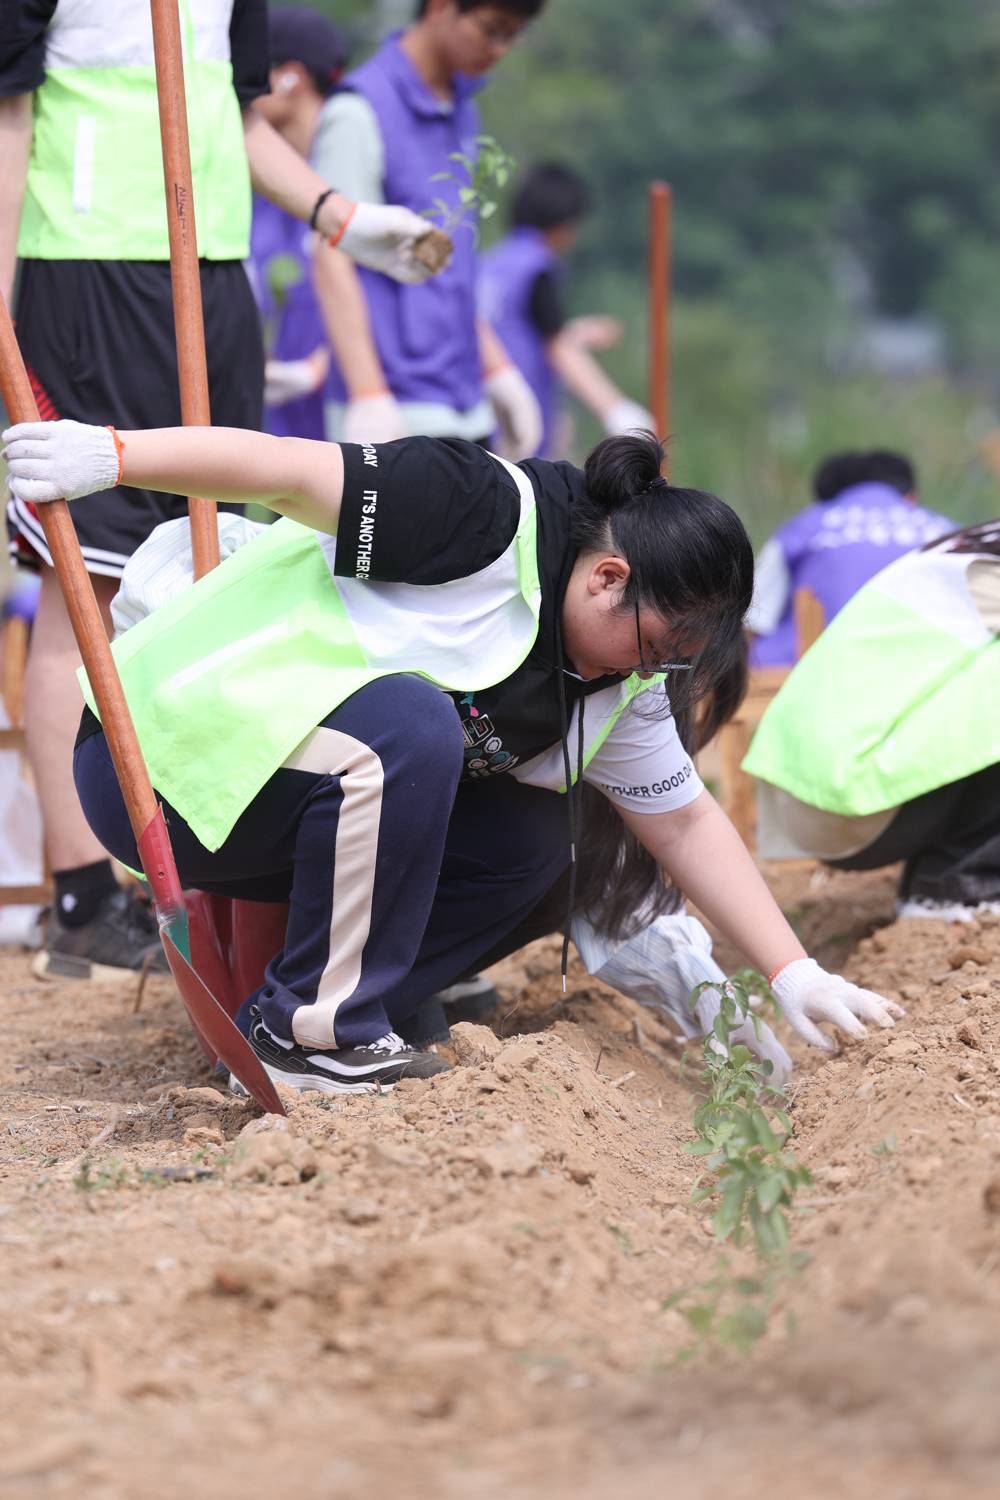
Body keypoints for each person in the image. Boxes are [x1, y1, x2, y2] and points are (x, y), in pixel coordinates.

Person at [4, 417, 904, 1088]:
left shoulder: (617, 680)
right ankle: (312, 1035)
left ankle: (349, 1006)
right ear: (607, 578)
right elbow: (281, 469)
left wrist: (795, 972)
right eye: (656, 647)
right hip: (165, 762)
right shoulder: (475, 512)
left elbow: (682, 823)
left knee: (540, 842)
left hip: (297, 793)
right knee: (413, 727)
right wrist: (114, 455)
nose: (655, 674)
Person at [0, 0, 449, 981]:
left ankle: (216, 870)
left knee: (209, 574)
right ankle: (82, 892)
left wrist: (339, 216)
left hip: (211, 273)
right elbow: (10, 116)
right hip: (85, 274)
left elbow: (241, 119)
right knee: (87, 584)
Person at [308, 0, 544, 458]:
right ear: (439, 7)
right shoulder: (360, 110)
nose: (499, 49)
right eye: (492, 30)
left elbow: (450, 267)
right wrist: (368, 393)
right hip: (395, 408)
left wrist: (497, 371)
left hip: (463, 402)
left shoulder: (461, 108)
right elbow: (330, 256)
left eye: (513, 36)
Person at [744, 519, 1000, 921]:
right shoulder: (985, 574)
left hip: (815, 795)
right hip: (851, 806)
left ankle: (943, 875)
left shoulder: (956, 555)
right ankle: (958, 885)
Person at [478, 162, 654, 458]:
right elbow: (557, 347)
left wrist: (578, 332)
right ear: (563, 223)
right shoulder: (536, 268)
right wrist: (616, 410)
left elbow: (514, 330)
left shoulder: (490, 263)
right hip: (518, 425)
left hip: (478, 418)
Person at [749, 449, 953, 666]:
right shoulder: (948, 531)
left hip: (809, 682)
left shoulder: (799, 530)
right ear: (911, 497)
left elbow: (749, 624)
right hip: (931, 679)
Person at [249, 9, 349, 443]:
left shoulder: (346, 178)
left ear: (290, 78)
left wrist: (320, 367)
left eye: (252, 75)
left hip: (349, 415)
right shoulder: (262, 190)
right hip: (286, 424)